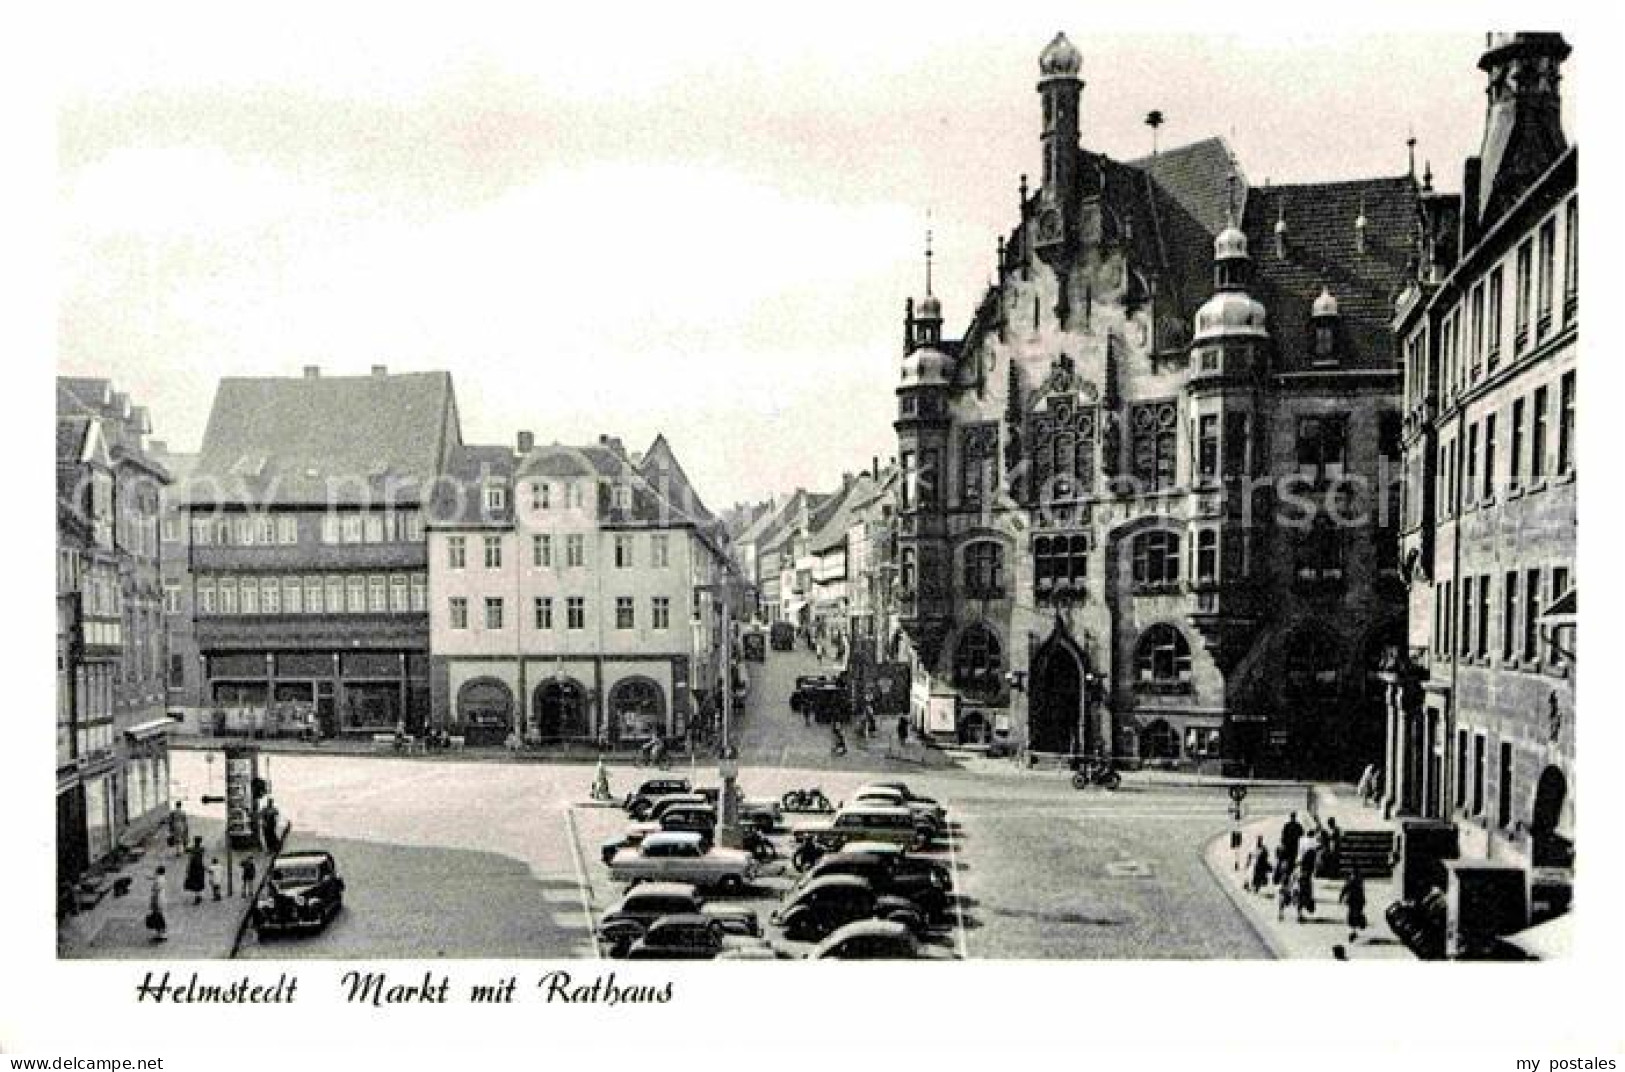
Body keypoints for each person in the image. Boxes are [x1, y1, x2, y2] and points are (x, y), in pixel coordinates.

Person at [1340, 872, 1369, 943]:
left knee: (1354, 915)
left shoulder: (1351, 883)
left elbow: (1344, 890)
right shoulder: (1358, 883)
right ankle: (1359, 924)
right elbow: (1344, 890)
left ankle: (1357, 926)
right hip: (1356, 902)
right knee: (1356, 914)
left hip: (1354, 902)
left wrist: (1341, 898)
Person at [183, 836, 207, 905]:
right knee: (199, 883)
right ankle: (199, 896)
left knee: (195, 883)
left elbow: (186, 850)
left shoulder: (193, 849)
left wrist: (185, 843)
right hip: (200, 868)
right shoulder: (202, 849)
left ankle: (198, 898)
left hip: (194, 868)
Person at [1295, 851, 1318, 922]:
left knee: (1300, 901)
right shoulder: (1306, 868)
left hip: (1301, 886)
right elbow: (1303, 877)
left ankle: (1299, 915)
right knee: (1301, 900)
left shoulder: (1303, 866)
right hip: (1303, 886)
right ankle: (1299, 915)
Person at [147, 868, 168, 943]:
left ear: (158, 872)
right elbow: (155, 878)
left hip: (158, 901)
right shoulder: (161, 878)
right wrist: (150, 878)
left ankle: (161, 935)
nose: (155, 872)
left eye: (156, 871)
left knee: (158, 918)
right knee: (159, 917)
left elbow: (156, 891)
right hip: (161, 900)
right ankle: (161, 934)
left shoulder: (158, 881)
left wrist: (153, 904)